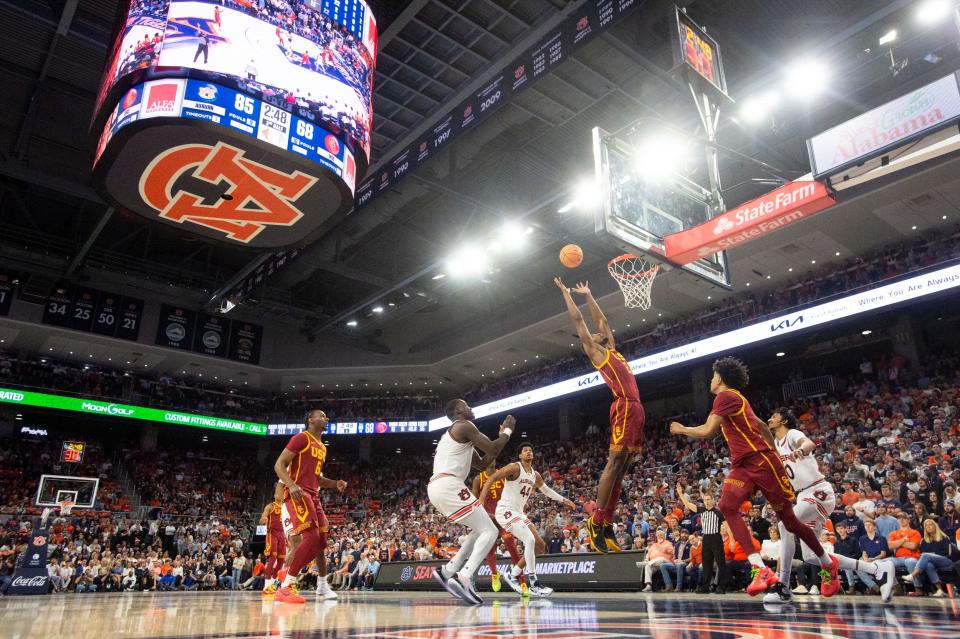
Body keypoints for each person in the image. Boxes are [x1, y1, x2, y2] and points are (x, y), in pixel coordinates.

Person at [670, 357, 840, 598]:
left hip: (760, 461)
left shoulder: (725, 396)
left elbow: (708, 430)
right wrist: (775, 453)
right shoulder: (739, 400)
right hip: (744, 464)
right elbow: (761, 425)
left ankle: (826, 562)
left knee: (790, 522)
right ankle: (760, 568)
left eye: (712, 376)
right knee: (727, 507)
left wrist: (682, 429)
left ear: (720, 378)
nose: (710, 380)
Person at [763, 408, 893, 604]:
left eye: (774, 415)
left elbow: (808, 443)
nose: (770, 418)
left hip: (818, 491)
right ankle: (878, 569)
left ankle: (783, 585)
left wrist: (801, 449)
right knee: (812, 557)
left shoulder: (792, 434)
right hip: (803, 495)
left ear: (784, 420)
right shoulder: (776, 445)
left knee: (784, 525)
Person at [554, 278, 644, 554]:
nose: (595, 333)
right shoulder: (597, 353)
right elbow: (580, 322)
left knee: (622, 469)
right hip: (623, 406)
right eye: (592, 336)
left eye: (598, 333)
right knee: (614, 461)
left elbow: (601, 320)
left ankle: (605, 524)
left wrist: (590, 295)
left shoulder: (612, 348)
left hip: (636, 408)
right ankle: (596, 521)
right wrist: (567, 294)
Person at [428, 399, 513, 604]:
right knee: (491, 531)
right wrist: (507, 432)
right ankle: (465, 576)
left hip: (439, 486)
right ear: (458, 410)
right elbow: (493, 449)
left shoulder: (458, 437)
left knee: (480, 529)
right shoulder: (464, 425)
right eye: (467, 406)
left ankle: (448, 571)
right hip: (449, 484)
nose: (471, 409)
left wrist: (499, 439)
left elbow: (484, 464)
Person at [478, 443, 575, 597]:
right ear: (520, 456)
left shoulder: (535, 475)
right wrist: (482, 500)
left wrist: (563, 500)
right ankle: (533, 582)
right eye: (525, 450)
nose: (529, 452)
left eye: (531, 450)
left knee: (539, 545)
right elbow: (493, 477)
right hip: (505, 511)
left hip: (518, 512)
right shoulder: (514, 468)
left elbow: (546, 490)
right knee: (529, 540)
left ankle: (513, 574)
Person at [273, 409, 348, 604]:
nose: (326, 418)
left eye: (326, 416)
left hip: (313, 495)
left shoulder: (322, 447)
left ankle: (322, 585)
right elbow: (279, 465)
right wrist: (291, 485)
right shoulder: (301, 438)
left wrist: (335, 483)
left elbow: (317, 478)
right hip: (298, 493)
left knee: (321, 542)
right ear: (310, 420)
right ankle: (286, 586)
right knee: (310, 537)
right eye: (322, 416)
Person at [472, 462, 526, 595]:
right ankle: (494, 574)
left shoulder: (503, 474)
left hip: (502, 516)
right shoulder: (479, 478)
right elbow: (474, 500)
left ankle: (523, 581)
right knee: (489, 548)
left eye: (494, 459)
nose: (492, 461)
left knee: (511, 545)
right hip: (487, 518)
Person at [677, 483, 726, 593]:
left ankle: (721, 587)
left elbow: (726, 526)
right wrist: (680, 494)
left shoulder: (718, 513)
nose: (707, 501)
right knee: (706, 564)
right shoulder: (701, 510)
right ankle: (705, 587)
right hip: (706, 539)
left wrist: (731, 539)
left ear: (713, 500)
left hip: (716, 538)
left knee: (720, 563)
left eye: (709, 499)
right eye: (705, 499)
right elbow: (688, 504)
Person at [902, 518, 957, 597]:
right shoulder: (924, 540)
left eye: (930, 524)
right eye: (926, 525)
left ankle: (913, 575)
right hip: (932, 562)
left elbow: (948, 553)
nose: (928, 526)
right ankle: (940, 590)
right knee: (928, 564)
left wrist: (932, 554)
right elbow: (922, 553)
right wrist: (930, 555)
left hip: (946, 561)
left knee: (926, 556)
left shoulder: (944, 537)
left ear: (935, 526)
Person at [258, 482, 286, 597]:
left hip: (283, 534)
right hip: (272, 533)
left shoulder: (286, 507)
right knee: (272, 558)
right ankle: (266, 584)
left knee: (281, 560)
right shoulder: (270, 506)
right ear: (275, 495)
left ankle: (274, 584)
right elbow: (262, 518)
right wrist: (264, 518)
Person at [641, 528, 678, 592]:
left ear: (664, 536)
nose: (660, 536)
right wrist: (647, 559)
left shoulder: (668, 543)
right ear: (656, 536)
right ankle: (648, 585)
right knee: (647, 567)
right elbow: (648, 554)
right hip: (655, 564)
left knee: (661, 558)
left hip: (666, 562)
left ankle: (649, 563)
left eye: (661, 535)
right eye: (658, 535)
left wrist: (664, 548)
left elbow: (673, 552)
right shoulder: (654, 545)